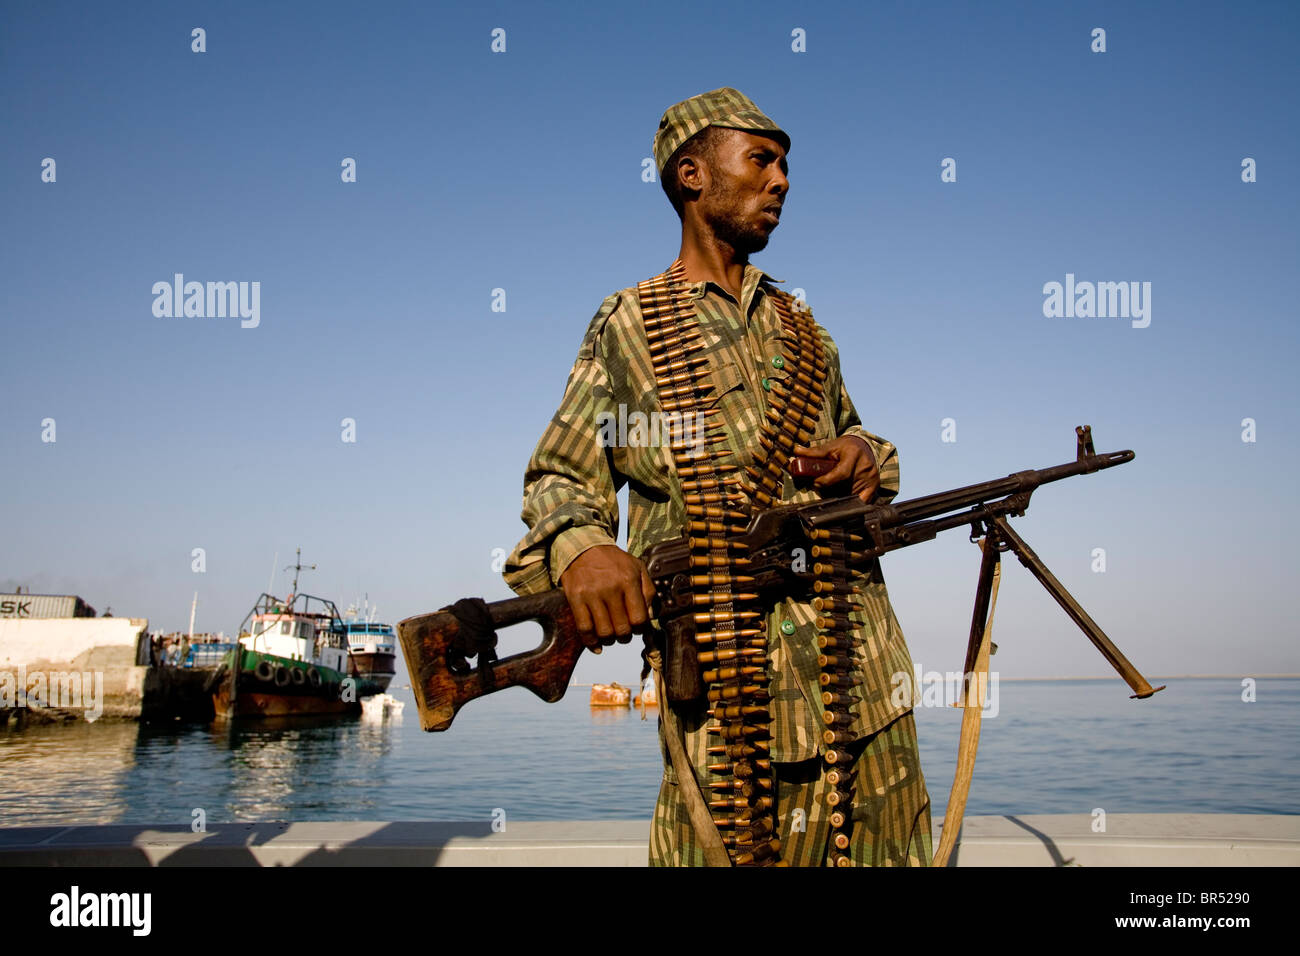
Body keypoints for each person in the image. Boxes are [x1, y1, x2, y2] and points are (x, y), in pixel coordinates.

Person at [503, 87, 931, 867]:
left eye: (786, 167)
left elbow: (860, 435)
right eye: (762, 160)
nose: (782, 182)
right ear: (693, 174)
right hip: (728, 689)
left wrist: (866, 457)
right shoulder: (632, 324)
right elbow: (561, 477)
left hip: (859, 671)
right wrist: (585, 551)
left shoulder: (807, 331)